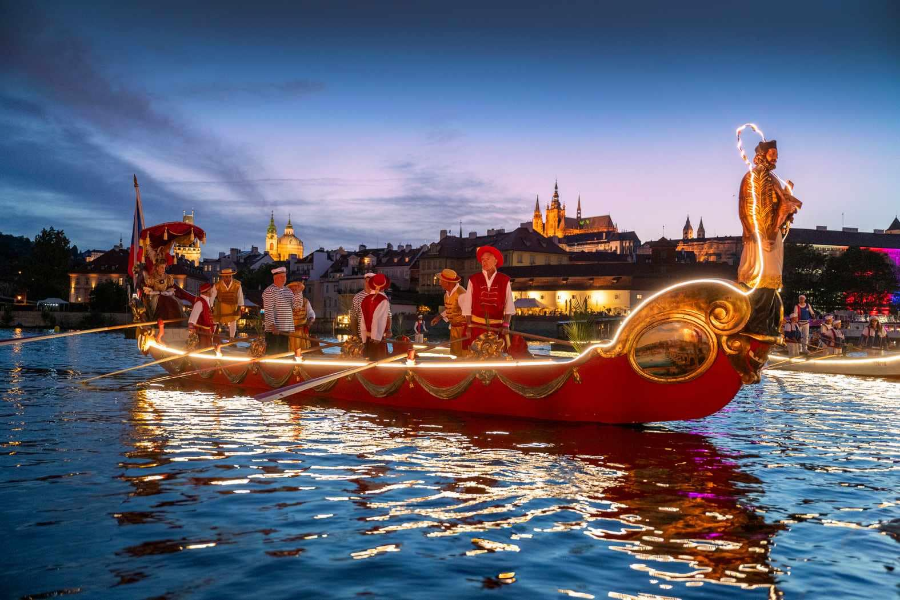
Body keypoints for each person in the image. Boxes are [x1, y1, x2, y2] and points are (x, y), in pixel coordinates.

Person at [737, 139, 803, 336]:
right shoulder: (752, 178)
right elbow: (747, 210)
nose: (776, 156)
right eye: (772, 152)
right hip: (760, 238)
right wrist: (758, 235)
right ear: (762, 154)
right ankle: (756, 324)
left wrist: (787, 210)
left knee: (772, 280)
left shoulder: (772, 178)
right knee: (761, 278)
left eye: (776, 153)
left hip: (773, 235)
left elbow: (779, 206)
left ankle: (766, 323)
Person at [460, 245, 530, 359]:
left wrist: (506, 325)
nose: (484, 262)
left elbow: (509, 305)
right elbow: (467, 305)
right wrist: (468, 326)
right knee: (474, 357)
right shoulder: (474, 279)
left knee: (497, 357)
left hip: (497, 328)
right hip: (476, 327)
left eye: (487, 259)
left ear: (495, 261)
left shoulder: (504, 280)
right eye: (482, 260)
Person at [142, 257, 184, 342]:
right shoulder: (152, 277)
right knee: (159, 302)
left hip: (166, 294)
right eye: (161, 267)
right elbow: (148, 289)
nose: (163, 269)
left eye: (164, 267)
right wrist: (154, 292)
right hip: (155, 295)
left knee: (175, 302)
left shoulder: (168, 277)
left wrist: (168, 292)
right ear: (157, 268)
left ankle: (179, 318)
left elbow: (171, 288)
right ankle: (155, 317)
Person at [431, 268, 468, 356]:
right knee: (455, 353)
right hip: (454, 328)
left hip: (463, 330)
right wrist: (439, 317)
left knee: (464, 353)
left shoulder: (462, 294)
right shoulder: (446, 294)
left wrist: (468, 329)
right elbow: (451, 309)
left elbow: (468, 313)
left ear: (448, 282)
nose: (439, 283)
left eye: (441, 281)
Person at [262, 266, 299, 354]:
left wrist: (298, 294)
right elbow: (268, 310)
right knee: (273, 353)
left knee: (283, 354)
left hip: (286, 329)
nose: (284, 279)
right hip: (274, 330)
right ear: (275, 278)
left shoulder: (288, 291)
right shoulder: (269, 291)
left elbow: (296, 306)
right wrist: (272, 326)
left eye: (285, 276)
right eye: (281, 277)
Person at [360, 273, 391, 360]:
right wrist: (376, 337)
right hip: (377, 338)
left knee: (367, 361)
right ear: (384, 286)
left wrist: (364, 338)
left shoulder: (365, 299)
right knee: (378, 363)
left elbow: (362, 321)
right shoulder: (383, 300)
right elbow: (378, 320)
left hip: (367, 337)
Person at [209, 268, 244, 339]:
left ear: (232, 276)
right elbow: (212, 296)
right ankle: (211, 336)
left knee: (233, 321)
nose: (228, 278)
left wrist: (239, 309)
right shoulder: (217, 285)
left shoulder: (237, 284)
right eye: (226, 276)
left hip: (232, 306)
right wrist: (210, 307)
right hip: (220, 306)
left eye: (229, 276)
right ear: (222, 277)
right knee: (215, 320)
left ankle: (231, 338)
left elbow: (240, 297)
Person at [286, 278, 316, 353]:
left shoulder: (305, 302)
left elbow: (311, 314)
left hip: (302, 331)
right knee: (291, 351)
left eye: (296, 289)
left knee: (303, 350)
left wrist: (309, 322)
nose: (294, 291)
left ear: (300, 291)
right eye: (292, 290)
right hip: (291, 332)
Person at [187, 282, 216, 347]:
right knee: (202, 349)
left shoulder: (206, 301)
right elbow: (192, 318)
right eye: (211, 290)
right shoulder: (200, 302)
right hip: (201, 332)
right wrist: (192, 329)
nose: (212, 292)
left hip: (206, 332)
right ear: (208, 291)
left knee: (207, 349)